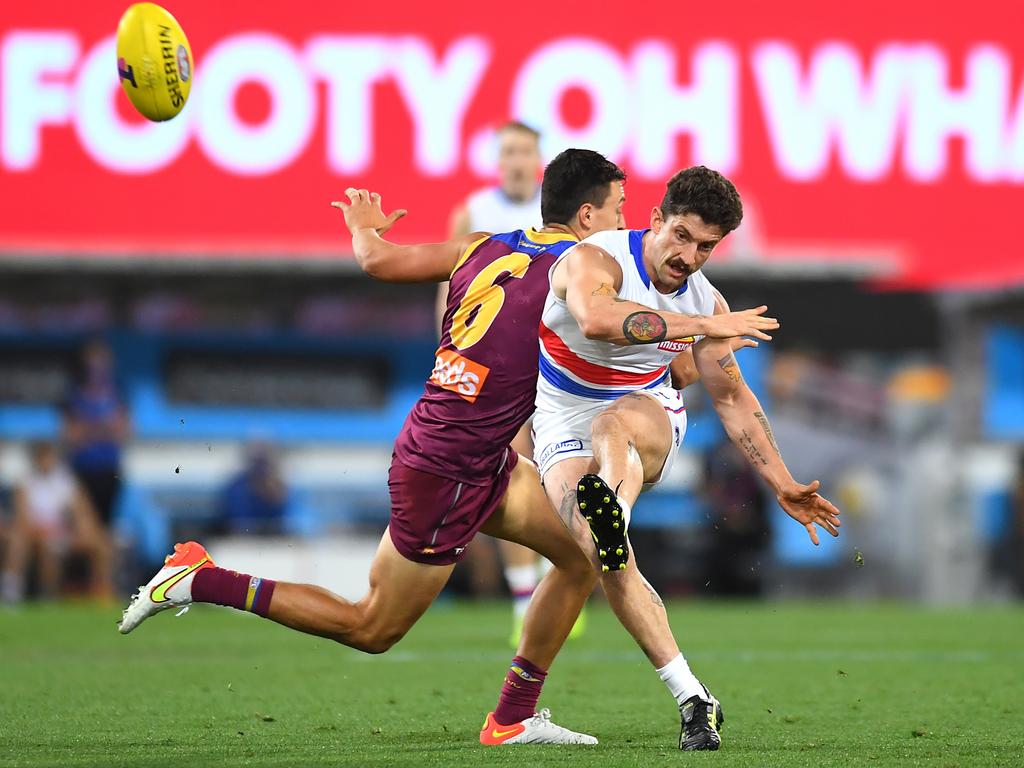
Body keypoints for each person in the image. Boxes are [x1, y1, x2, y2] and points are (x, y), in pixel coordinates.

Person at [118, 149, 775, 746]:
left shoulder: (483, 247)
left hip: (469, 450)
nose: (628, 224)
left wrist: (363, 226)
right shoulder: (576, 272)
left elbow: (379, 261)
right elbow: (610, 323)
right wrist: (698, 333)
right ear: (587, 215)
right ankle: (202, 580)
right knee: (371, 627)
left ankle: (513, 717)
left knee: (582, 555)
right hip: (449, 466)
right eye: (620, 211)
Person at [530, 165, 842, 750]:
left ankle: (611, 512)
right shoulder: (595, 259)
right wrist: (702, 326)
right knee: (605, 557)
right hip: (558, 417)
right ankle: (694, 697)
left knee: (613, 425)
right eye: (682, 236)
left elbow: (733, 399)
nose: (690, 256)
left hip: (644, 410)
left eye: (706, 246)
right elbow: (598, 319)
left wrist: (782, 482)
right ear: (656, 219)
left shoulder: (705, 299)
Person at [443, 121, 562, 643]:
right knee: (513, 470)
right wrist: (446, 347)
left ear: (539, 158)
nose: (515, 160)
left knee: (558, 471)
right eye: (507, 151)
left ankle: (555, 579)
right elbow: (452, 286)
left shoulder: (557, 212)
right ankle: (525, 597)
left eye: (524, 151)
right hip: (496, 367)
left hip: (556, 364)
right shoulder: (473, 212)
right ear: (497, 160)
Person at [1, 441, 113, 602]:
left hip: (63, 531)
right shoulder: (26, 483)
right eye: (42, 458)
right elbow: (23, 518)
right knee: (46, 546)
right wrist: (44, 531)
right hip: (37, 532)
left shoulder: (66, 481)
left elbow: (82, 511)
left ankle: (102, 590)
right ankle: (45, 594)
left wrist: (84, 529)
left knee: (101, 543)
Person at [62, 338, 129, 528]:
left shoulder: (117, 391)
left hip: (109, 469)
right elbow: (72, 434)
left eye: (102, 357)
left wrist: (90, 429)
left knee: (107, 524)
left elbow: (123, 429)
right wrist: (103, 428)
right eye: (93, 357)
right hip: (82, 469)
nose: (97, 363)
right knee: (83, 525)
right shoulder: (74, 393)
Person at [220, 443, 288, 536]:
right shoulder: (237, 489)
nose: (261, 470)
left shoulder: (280, 487)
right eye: (257, 463)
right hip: (242, 538)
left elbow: (285, 522)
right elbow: (238, 523)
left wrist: (274, 496)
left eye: (265, 464)